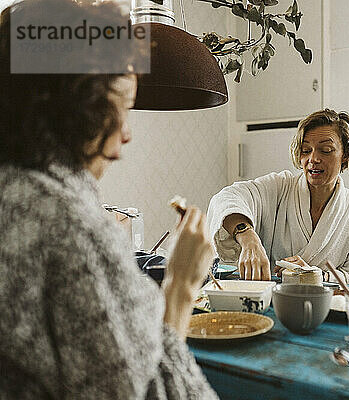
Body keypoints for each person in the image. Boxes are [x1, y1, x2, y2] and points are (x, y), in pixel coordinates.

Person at [0, 0, 218, 398]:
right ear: (82, 112)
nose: (127, 136)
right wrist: (181, 286)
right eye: (123, 111)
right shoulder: (74, 229)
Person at [207, 109, 349, 285]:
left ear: (345, 155)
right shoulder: (280, 187)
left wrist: (316, 275)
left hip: (329, 305)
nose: (313, 158)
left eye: (326, 150)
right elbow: (225, 198)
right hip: (272, 300)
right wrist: (247, 236)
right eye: (306, 150)